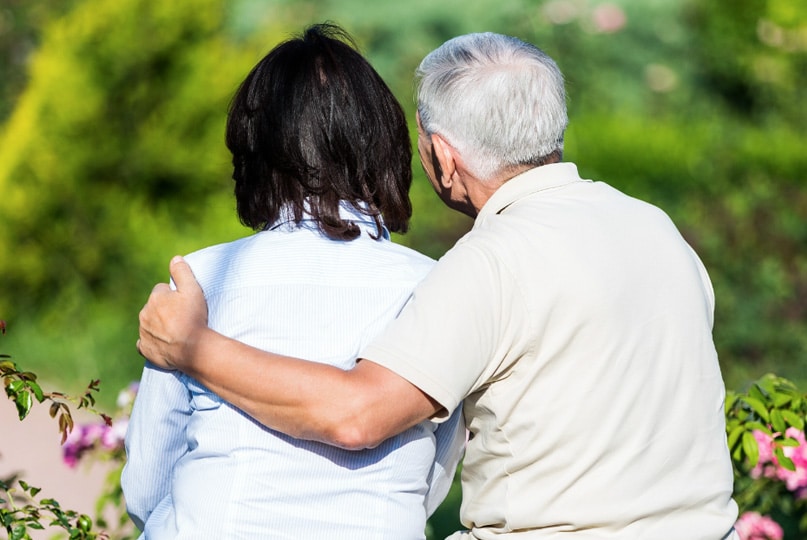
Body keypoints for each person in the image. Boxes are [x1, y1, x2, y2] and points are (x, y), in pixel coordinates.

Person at [137, 31, 741, 539]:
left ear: (444, 158)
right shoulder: (658, 231)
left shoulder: (490, 262)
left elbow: (358, 414)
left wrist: (191, 347)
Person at [121, 23, 464, 540]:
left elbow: (147, 481)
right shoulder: (438, 285)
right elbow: (435, 476)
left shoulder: (199, 277)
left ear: (254, 154)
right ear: (383, 146)